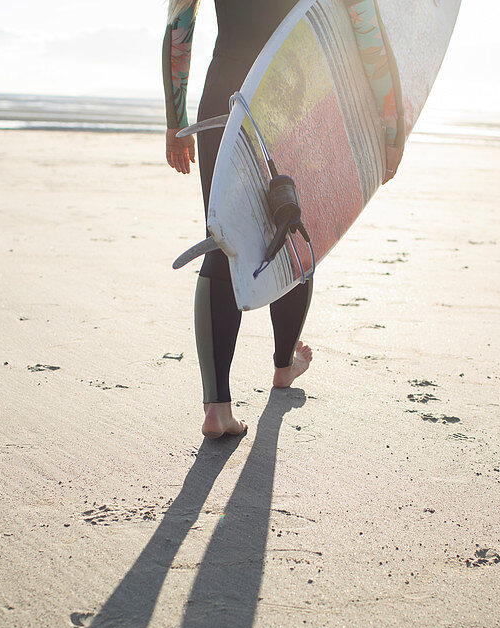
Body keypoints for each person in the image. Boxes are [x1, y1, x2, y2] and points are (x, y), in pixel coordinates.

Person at [163, 0, 401, 438]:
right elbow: (365, 28)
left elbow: (180, 24)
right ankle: (283, 363)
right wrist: (390, 126)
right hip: (294, 97)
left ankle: (217, 407)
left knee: (223, 241)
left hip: (225, 94)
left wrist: (174, 120)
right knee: (295, 231)